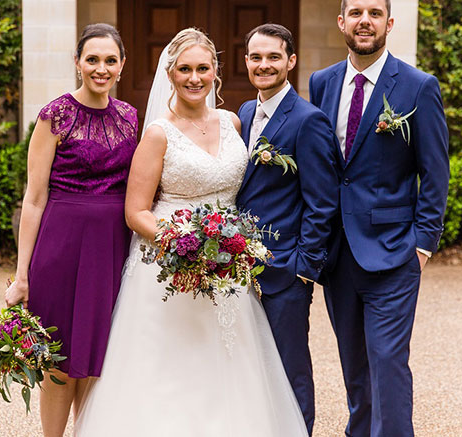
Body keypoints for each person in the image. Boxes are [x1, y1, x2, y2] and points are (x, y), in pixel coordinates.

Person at [73, 28, 309, 436]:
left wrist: (224, 247)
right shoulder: (158, 134)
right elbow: (136, 212)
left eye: (203, 68)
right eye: (185, 69)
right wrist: (187, 245)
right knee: (170, 371)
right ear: (171, 73)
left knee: (228, 369)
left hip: (228, 265)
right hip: (169, 265)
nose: (194, 77)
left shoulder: (234, 122)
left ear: (216, 72)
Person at [308, 0, 450, 437]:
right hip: (338, 252)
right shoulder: (322, 82)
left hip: (394, 251)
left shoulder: (417, 87)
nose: (364, 21)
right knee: (354, 364)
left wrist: (422, 245)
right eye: (355, 13)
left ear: (389, 23)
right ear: (341, 22)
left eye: (374, 13)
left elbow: (436, 171)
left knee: (387, 363)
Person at [3, 23, 138, 436]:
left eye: (109, 60)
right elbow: (34, 197)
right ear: (77, 62)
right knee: (60, 361)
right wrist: (22, 274)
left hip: (111, 247)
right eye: (92, 59)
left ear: (121, 65)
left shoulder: (131, 117)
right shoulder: (54, 115)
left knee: (96, 356)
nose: (101, 68)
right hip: (61, 245)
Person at [235, 23, 340, 435]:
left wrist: (304, 267)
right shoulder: (245, 113)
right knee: (251, 364)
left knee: (290, 367)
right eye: (256, 57)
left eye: (274, 57)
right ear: (246, 62)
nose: (264, 65)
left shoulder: (308, 120)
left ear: (291, 61)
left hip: (284, 271)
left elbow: (323, 200)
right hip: (239, 269)